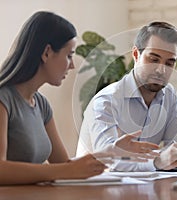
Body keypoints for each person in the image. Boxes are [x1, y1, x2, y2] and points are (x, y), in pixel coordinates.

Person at [0, 11, 158, 185]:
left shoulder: (41, 105)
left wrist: (112, 152)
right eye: (69, 56)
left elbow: (64, 165)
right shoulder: (4, 100)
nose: (72, 65)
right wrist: (64, 171)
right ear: (46, 53)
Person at [77, 21, 177, 171]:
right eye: (153, 60)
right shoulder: (106, 101)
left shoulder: (169, 96)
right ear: (136, 54)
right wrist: (157, 161)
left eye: (169, 63)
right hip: (95, 190)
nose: (161, 70)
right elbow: (108, 162)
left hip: (144, 190)